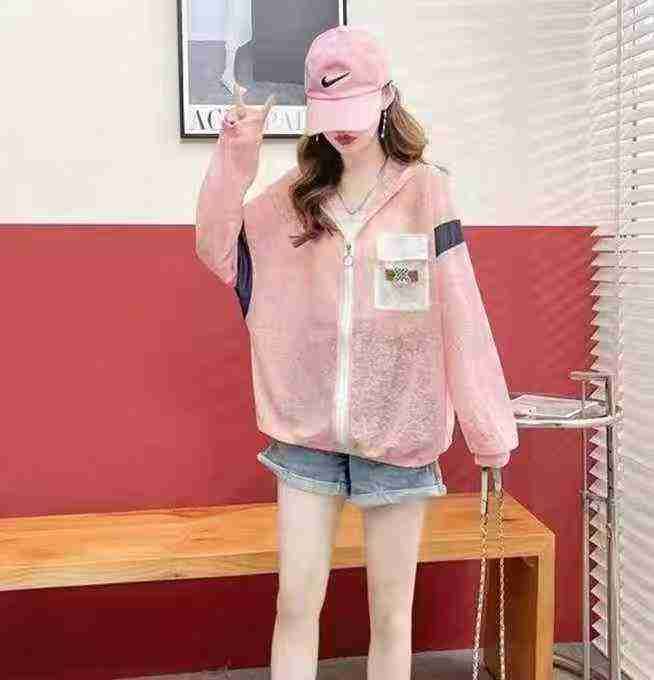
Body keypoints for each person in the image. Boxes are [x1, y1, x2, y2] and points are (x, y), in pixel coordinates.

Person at [195, 25, 518, 680]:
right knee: (295, 605)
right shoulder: (291, 200)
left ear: (387, 97)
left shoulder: (426, 191)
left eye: (356, 108)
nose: (342, 128)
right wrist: (236, 154)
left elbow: (460, 305)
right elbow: (216, 250)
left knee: (391, 616)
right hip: (305, 434)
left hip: (399, 432)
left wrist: (488, 430)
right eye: (329, 112)